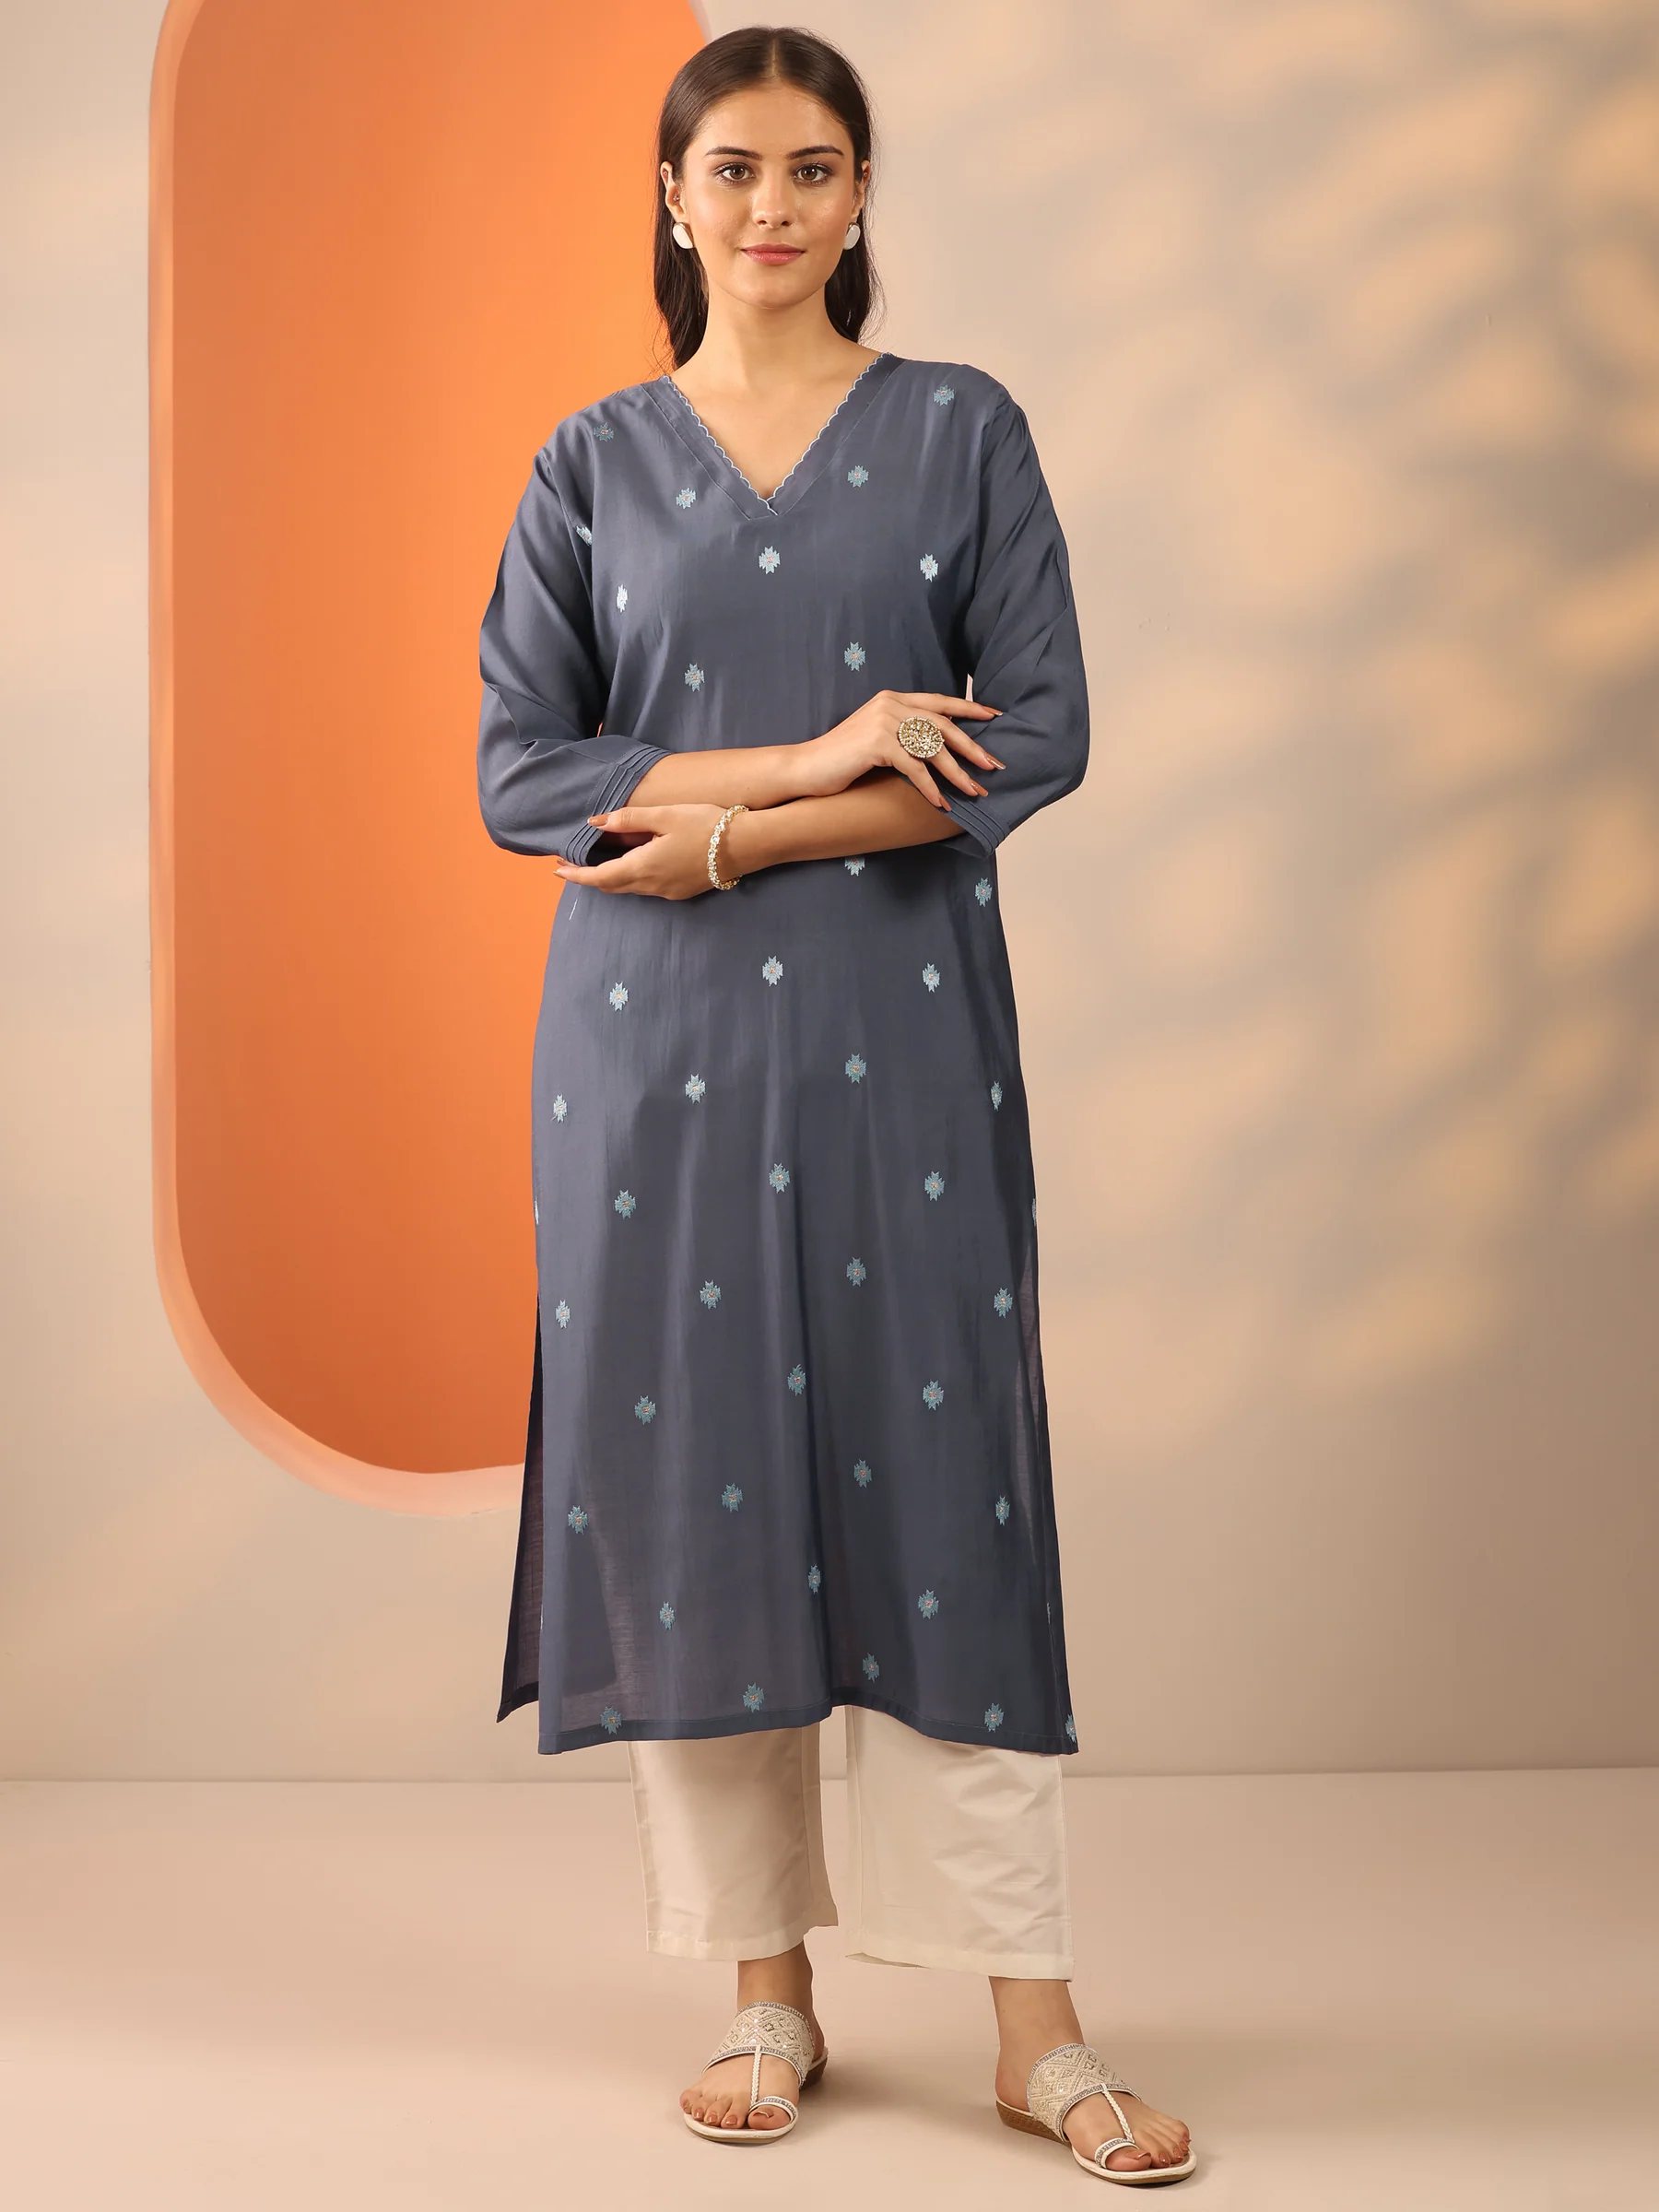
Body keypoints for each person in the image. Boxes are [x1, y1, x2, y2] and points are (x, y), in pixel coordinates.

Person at [477, 22, 1194, 2184]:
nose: (773, 206)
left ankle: (1034, 2029)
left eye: (813, 168)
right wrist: (809, 759)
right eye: (735, 170)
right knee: (700, 1492)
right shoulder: (593, 462)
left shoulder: (960, 432)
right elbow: (526, 773)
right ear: (673, 198)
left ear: (863, 193)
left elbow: (1034, 730)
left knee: (949, 1482)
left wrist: (733, 836)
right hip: (655, 1059)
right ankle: (764, 1996)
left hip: (901, 1038)